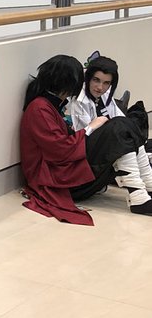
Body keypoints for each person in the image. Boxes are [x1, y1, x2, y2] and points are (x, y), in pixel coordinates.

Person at [20, 55, 102, 226]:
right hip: (52, 177)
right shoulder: (40, 108)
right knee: (118, 130)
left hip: (59, 168)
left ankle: (140, 188)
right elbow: (60, 149)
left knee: (121, 129)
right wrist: (90, 128)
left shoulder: (50, 105)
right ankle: (139, 191)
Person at [68, 54, 152, 213]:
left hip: (104, 151)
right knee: (121, 128)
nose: (100, 87)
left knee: (128, 126)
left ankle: (146, 188)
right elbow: (82, 138)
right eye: (96, 80)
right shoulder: (77, 100)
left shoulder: (105, 95)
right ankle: (139, 194)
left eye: (106, 83)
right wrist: (96, 125)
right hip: (84, 159)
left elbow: (122, 122)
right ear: (88, 78)